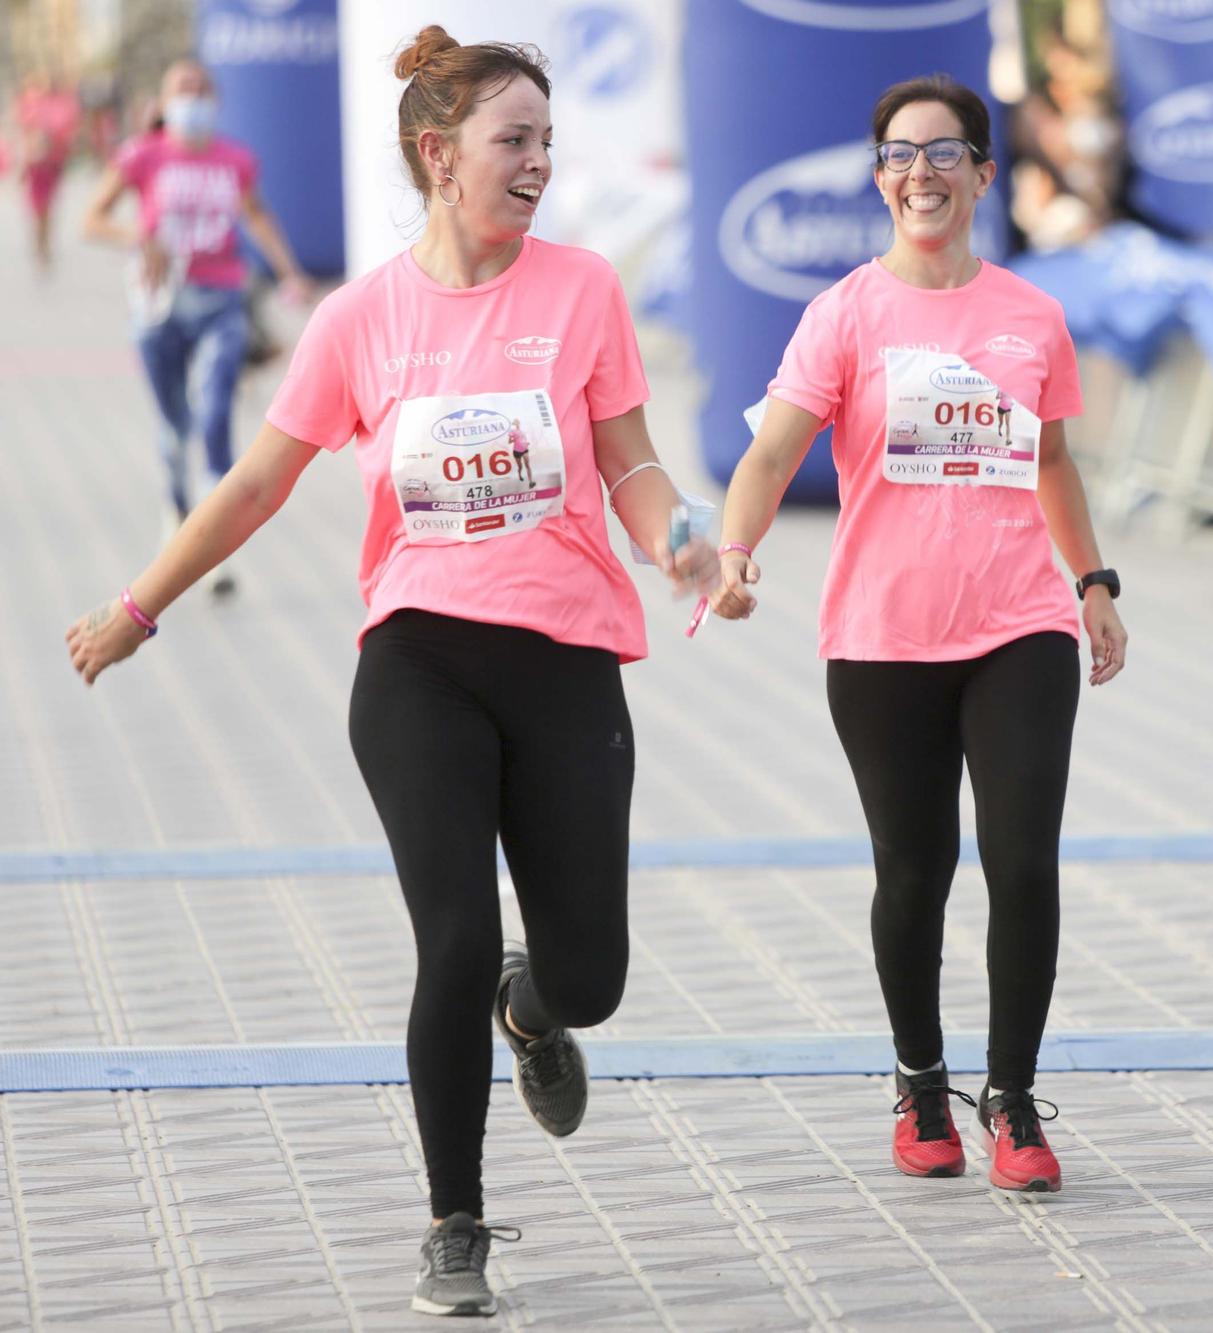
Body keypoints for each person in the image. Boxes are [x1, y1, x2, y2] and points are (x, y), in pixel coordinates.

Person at [65, 26, 718, 1318]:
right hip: (417, 659)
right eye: (512, 140)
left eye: (546, 140)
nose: (539, 163)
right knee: (453, 934)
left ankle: (533, 1015)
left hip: (569, 655)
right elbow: (259, 478)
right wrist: (143, 604)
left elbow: (630, 461)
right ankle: (454, 1223)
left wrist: (683, 542)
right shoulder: (359, 317)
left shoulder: (582, 290)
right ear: (439, 154)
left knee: (589, 973)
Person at [713, 74, 1129, 1194]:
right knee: (914, 871)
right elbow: (767, 454)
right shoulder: (845, 312)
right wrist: (735, 550)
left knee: (1022, 862)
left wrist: (1090, 580)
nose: (922, 173)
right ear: (879, 178)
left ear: (985, 176)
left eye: (945, 153)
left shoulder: (1028, 316)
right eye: (900, 154)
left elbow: (1047, 460)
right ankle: (919, 1080)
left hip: (1018, 627)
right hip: (883, 637)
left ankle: (1013, 1099)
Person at [82, 58, 312, 587]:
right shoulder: (143, 155)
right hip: (159, 305)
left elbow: (256, 216)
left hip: (221, 300)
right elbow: (92, 217)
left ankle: (215, 549)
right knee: (174, 425)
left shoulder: (234, 159)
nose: (194, 98)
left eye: (203, 89)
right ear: (163, 104)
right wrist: (139, 238)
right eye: (182, 89)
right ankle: (175, 512)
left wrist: (288, 273)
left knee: (214, 416)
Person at [12, 70, 81, 272]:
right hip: (35, 167)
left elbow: (69, 131)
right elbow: (23, 132)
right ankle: (39, 244)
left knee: (49, 209)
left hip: (52, 166)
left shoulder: (62, 104)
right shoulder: (30, 103)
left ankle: (45, 244)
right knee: (36, 210)